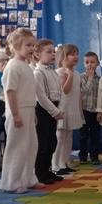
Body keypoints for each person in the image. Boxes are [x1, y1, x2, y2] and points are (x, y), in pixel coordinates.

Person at [1, 29, 43, 193]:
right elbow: (10, 92)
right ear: (16, 46)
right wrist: (16, 114)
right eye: (28, 45)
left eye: (33, 45)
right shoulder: (13, 66)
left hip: (28, 109)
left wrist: (32, 113)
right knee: (17, 147)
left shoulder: (25, 65)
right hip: (17, 111)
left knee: (31, 146)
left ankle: (28, 179)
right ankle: (11, 182)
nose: (32, 48)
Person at [33, 39, 64, 184]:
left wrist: (59, 108)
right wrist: (54, 111)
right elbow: (41, 96)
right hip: (43, 110)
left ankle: (48, 170)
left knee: (52, 141)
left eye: (54, 52)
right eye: (48, 52)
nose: (53, 54)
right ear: (38, 54)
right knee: (43, 143)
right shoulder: (37, 73)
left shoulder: (53, 72)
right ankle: (40, 173)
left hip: (53, 108)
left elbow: (59, 92)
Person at [52, 44, 84, 175]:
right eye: (72, 54)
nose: (75, 56)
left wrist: (79, 110)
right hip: (63, 109)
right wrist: (69, 75)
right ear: (63, 57)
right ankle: (55, 165)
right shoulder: (60, 72)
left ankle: (64, 162)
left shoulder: (77, 73)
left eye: (76, 54)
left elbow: (78, 94)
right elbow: (65, 90)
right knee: (59, 137)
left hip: (72, 108)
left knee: (69, 136)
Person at [79, 51, 101, 164]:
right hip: (84, 111)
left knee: (95, 135)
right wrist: (90, 78)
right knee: (83, 135)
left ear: (97, 63)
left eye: (92, 62)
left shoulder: (100, 79)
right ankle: (82, 156)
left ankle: (94, 157)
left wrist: (100, 111)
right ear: (84, 64)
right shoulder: (81, 77)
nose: (90, 65)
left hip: (95, 111)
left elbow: (101, 96)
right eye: (87, 62)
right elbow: (83, 92)